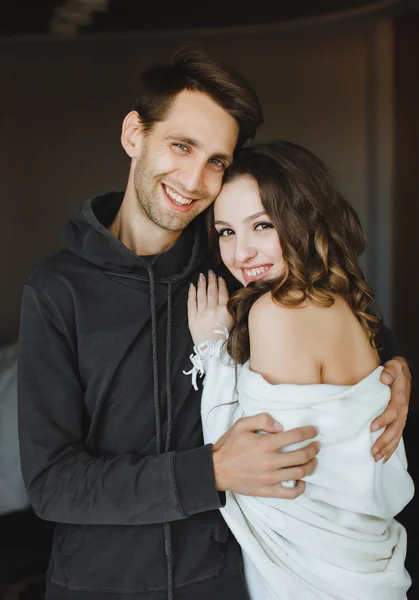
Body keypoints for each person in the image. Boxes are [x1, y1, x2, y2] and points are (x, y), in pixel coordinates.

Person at [17, 49, 411, 600]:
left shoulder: (238, 263)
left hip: (232, 580)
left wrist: (395, 374)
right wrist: (211, 472)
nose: (195, 180)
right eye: (181, 146)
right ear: (135, 134)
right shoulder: (56, 289)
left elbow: (350, 336)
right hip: (99, 585)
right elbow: (52, 484)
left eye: (217, 161)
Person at [186, 141, 415, 599]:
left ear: (305, 222)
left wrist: (212, 349)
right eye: (226, 231)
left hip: (311, 579)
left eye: (262, 226)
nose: (241, 253)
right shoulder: (342, 306)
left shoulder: (276, 312)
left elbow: (259, 472)